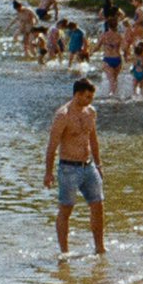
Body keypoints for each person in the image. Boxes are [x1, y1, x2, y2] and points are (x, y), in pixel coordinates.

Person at [44, 79, 105, 256]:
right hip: (68, 168)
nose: (90, 101)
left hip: (88, 165)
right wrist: (48, 173)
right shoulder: (62, 115)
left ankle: (99, 247)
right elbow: (52, 145)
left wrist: (99, 164)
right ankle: (65, 252)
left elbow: (93, 139)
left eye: (92, 97)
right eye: (87, 97)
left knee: (98, 205)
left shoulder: (90, 112)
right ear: (77, 94)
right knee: (66, 209)